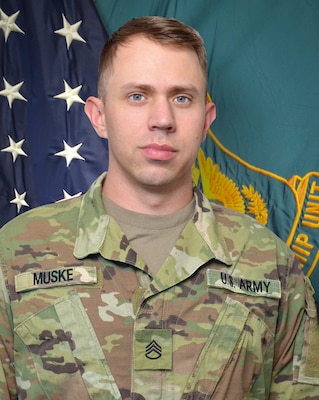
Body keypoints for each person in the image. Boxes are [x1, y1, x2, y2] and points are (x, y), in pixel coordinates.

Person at [0, 16, 318, 400]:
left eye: (182, 98)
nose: (162, 120)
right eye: (138, 96)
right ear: (98, 117)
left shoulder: (271, 265)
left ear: (206, 120)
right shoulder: (14, 255)